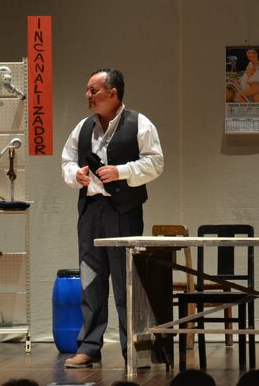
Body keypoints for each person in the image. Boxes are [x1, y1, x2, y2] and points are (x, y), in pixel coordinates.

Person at [61, 68, 163, 368]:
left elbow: (155, 163)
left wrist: (122, 171)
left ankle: (134, 349)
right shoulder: (83, 127)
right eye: (87, 90)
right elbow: (66, 161)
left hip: (124, 211)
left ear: (113, 93)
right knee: (90, 279)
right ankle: (89, 346)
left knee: (126, 281)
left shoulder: (138, 123)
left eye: (93, 90)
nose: (88, 95)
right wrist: (76, 175)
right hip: (91, 211)